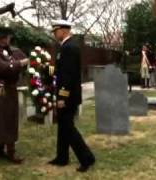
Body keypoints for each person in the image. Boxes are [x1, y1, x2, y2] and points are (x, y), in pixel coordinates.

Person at [48, 19, 95, 172]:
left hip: (67, 96)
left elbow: (68, 75)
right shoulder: (65, 47)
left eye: (56, 31)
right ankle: (62, 157)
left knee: (68, 128)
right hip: (67, 94)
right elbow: (60, 71)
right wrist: (47, 70)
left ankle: (86, 157)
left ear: (63, 30)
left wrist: (62, 97)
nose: (55, 34)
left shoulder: (69, 47)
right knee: (63, 127)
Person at [0, 27, 29, 164]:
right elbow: (1, 66)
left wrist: (25, 62)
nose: (7, 39)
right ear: (0, 38)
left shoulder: (12, 50)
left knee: (9, 117)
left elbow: (24, 59)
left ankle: (1, 149)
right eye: (5, 37)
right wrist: (19, 63)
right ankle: (8, 151)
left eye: (8, 37)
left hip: (10, 89)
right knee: (1, 118)